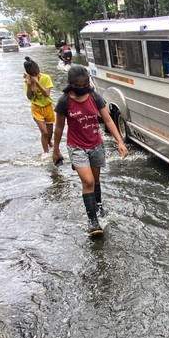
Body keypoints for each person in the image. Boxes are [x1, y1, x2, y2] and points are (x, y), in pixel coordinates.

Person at [52, 65, 128, 236]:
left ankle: (99, 205)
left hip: (95, 144)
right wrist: (56, 150)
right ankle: (93, 221)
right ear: (70, 84)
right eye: (77, 86)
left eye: (84, 84)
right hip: (77, 147)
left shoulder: (94, 96)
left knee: (95, 179)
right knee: (88, 182)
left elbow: (108, 120)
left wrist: (119, 141)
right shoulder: (64, 101)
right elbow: (58, 127)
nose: (81, 88)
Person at [23, 56, 55, 156]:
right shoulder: (27, 81)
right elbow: (29, 97)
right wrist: (29, 85)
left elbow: (46, 94)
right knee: (44, 132)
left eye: (37, 72)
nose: (37, 74)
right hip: (36, 108)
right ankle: (46, 153)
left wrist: (37, 83)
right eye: (34, 74)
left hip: (48, 106)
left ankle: (49, 142)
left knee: (50, 133)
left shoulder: (46, 78)